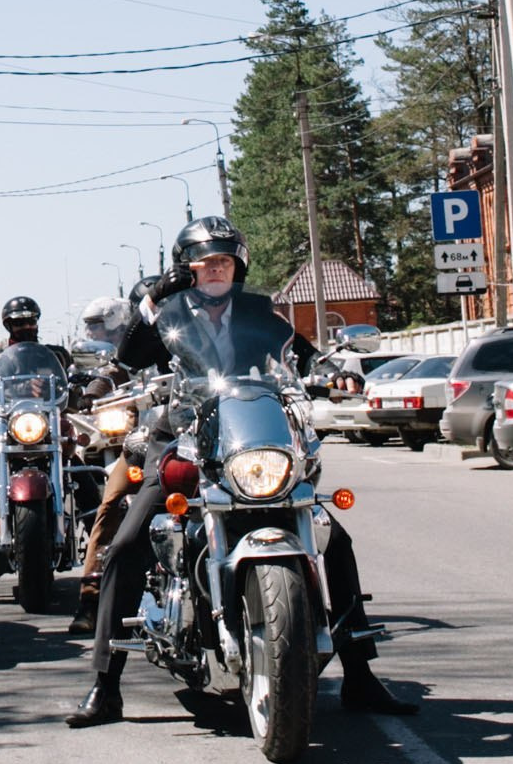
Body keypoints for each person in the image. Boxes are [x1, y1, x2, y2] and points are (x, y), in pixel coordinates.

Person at [66, 217, 412, 726]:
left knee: (334, 539)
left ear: (238, 268)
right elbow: (131, 355)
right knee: (128, 542)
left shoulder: (259, 315)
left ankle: (359, 674)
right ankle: (105, 684)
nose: (215, 270)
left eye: (224, 262)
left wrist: (332, 372)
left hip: (251, 440)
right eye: (205, 263)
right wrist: (153, 300)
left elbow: (298, 353)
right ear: (186, 269)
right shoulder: (169, 316)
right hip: (184, 439)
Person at [63, 274, 181, 636]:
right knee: (112, 504)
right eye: (159, 306)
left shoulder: (192, 337)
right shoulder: (137, 344)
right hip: (146, 440)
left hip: (194, 441)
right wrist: (91, 393)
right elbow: (116, 369)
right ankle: (90, 599)